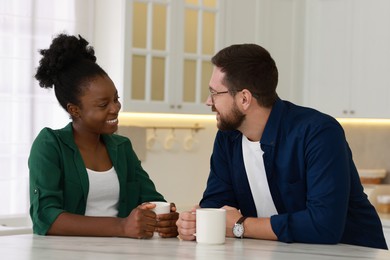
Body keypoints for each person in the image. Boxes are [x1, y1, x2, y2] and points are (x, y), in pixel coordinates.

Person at [176, 43, 388, 250]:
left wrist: (241, 225)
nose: (208, 101)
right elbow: (216, 207)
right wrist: (195, 223)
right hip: (284, 252)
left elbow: (324, 226)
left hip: (351, 253)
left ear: (244, 98)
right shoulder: (228, 138)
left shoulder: (319, 132)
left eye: (214, 93)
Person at [29, 33, 178, 239]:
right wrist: (121, 227)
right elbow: (46, 216)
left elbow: (151, 200)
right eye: (103, 104)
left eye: (116, 98)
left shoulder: (122, 147)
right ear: (75, 110)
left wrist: (166, 219)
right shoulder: (50, 145)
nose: (115, 108)